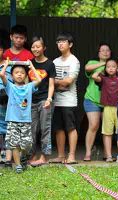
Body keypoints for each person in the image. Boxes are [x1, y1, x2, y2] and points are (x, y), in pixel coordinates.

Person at [0, 60, 41, 173]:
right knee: (14, 144)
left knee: (27, 144)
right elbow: (2, 74)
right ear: (12, 76)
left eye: (22, 72)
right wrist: (7, 64)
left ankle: (23, 157)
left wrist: (31, 66)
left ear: (26, 75)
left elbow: (39, 79)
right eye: (16, 72)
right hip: (13, 120)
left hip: (26, 120)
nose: (19, 74)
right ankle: (18, 165)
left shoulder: (29, 87)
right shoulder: (10, 87)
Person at [2, 24, 34, 168]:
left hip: (23, 93)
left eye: (21, 38)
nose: (19, 40)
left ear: (25, 39)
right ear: (11, 37)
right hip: (8, 92)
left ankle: (20, 158)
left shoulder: (28, 54)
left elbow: (31, 76)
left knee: (25, 137)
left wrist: (24, 91)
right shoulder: (5, 54)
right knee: (7, 128)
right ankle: (9, 158)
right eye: (16, 37)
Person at [49, 32, 80, 164]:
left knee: (70, 128)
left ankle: (71, 155)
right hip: (57, 101)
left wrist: (53, 81)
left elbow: (68, 81)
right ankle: (61, 155)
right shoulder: (55, 61)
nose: (60, 44)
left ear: (70, 44)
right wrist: (54, 81)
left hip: (69, 101)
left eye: (63, 41)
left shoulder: (74, 61)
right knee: (58, 128)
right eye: (58, 42)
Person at [28, 36, 56, 166]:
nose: (35, 49)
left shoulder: (50, 64)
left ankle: (44, 156)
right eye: (33, 47)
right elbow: (26, 83)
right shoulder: (29, 63)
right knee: (32, 129)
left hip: (45, 100)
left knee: (45, 129)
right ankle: (32, 155)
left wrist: (49, 99)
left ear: (44, 48)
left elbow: (51, 85)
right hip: (31, 101)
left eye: (38, 46)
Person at [83, 43, 111, 161]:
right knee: (94, 125)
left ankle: (107, 154)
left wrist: (111, 65)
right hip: (92, 99)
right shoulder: (92, 63)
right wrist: (103, 64)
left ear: (110, 53)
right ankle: (88, 153)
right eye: (102, 50)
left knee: (107, 127)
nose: (105, 52)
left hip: (108, 101)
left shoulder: (113, 65)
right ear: (98, 53)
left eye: (107, 50)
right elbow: (87, 68)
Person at [92, 58, 118, 162]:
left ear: (117, 68)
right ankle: (109, 156)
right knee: (107, 132)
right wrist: (100, 70)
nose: (111, 68)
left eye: (113, 66)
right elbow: (94, 76)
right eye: (108, 67)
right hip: (107, 107)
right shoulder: (103, 79)